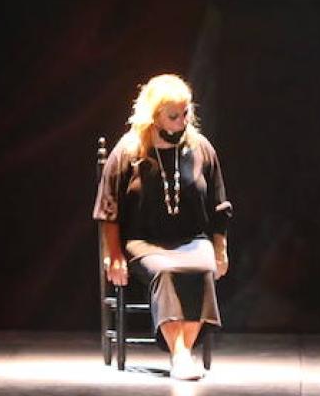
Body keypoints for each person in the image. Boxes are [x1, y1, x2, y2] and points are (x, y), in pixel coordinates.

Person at [93, 74, 232, 381]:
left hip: (191, 239)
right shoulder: (130, 151)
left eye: (185, 114)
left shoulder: (200, 148)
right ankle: (180, 354)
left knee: (202, 267)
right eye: (173, 115)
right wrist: (113, 253)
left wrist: (219, 248)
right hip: (144, 242)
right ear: (153, 115)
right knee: (166, 270)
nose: (181, 121)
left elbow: (219, 205)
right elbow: (108, 208)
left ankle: (183, 349)